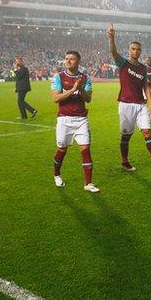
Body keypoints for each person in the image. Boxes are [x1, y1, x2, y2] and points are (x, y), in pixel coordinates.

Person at [107, 24, 151, 171]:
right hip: (125, 104)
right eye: (133, 49)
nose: (136, 51)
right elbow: (114, 52)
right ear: (129, 51)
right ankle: (124, 161)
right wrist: (111, 38)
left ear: (141, 51)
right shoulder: (123, 63)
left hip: (140, 105)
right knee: (126, 136)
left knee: (148, 132)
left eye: (138, 49)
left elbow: (146, 86)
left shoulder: (142, 68)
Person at [50, 51, 99, 193]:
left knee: (85, 150)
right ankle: (57, 174)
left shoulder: (85, 77)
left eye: (72, 59)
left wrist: (81, 88)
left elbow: (88, 99)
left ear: (78, 61)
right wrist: (72, 89)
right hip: (64, 119)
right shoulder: (59, 77)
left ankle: (88, 183)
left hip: (81, 120)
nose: (68, 61)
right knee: (62, 150)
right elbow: (55, 98)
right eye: (66, 59)